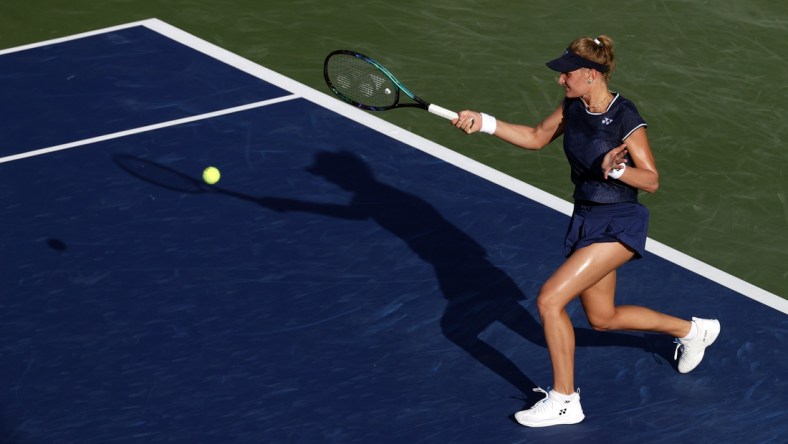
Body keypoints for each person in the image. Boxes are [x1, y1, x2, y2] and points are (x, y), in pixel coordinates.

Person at [451, 35, 720, 427]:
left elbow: (651, 180)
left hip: (619, 221)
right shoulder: (572, 107)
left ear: (591, 75)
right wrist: (485, 122)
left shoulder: (624, 116)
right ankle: (693, 330)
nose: (561, 81)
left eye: (567, 74)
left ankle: (565, 400)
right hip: (587, 219)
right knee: (603, 317)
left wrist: (617, 169)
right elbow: (535, 137)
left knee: (549, 301)